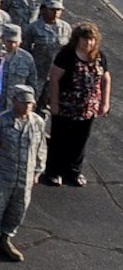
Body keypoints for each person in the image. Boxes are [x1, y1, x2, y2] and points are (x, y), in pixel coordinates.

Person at [42, 21, 110, 186]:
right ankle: (53, 172)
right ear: (77, 39)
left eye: (92, 40)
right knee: (60, 139)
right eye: (85, 39)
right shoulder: (66, 55)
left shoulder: (99, 56)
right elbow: (55, 79)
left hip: (88, 107)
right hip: (66, 105)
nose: (89, 43)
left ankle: (73, 172)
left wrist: (104, 102)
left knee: (80, 140)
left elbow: (106, 79)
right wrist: (55, 103)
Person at [0, 84, 47, 262]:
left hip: (25, 177)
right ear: (14, 101)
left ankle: (6, 239)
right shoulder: (1, 121)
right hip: (4, 175)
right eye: (24, 103)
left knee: (18, 210)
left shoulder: (37, 122)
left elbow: (41, 148)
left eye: (30, 103)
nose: (28, 106)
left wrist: (38, 171)